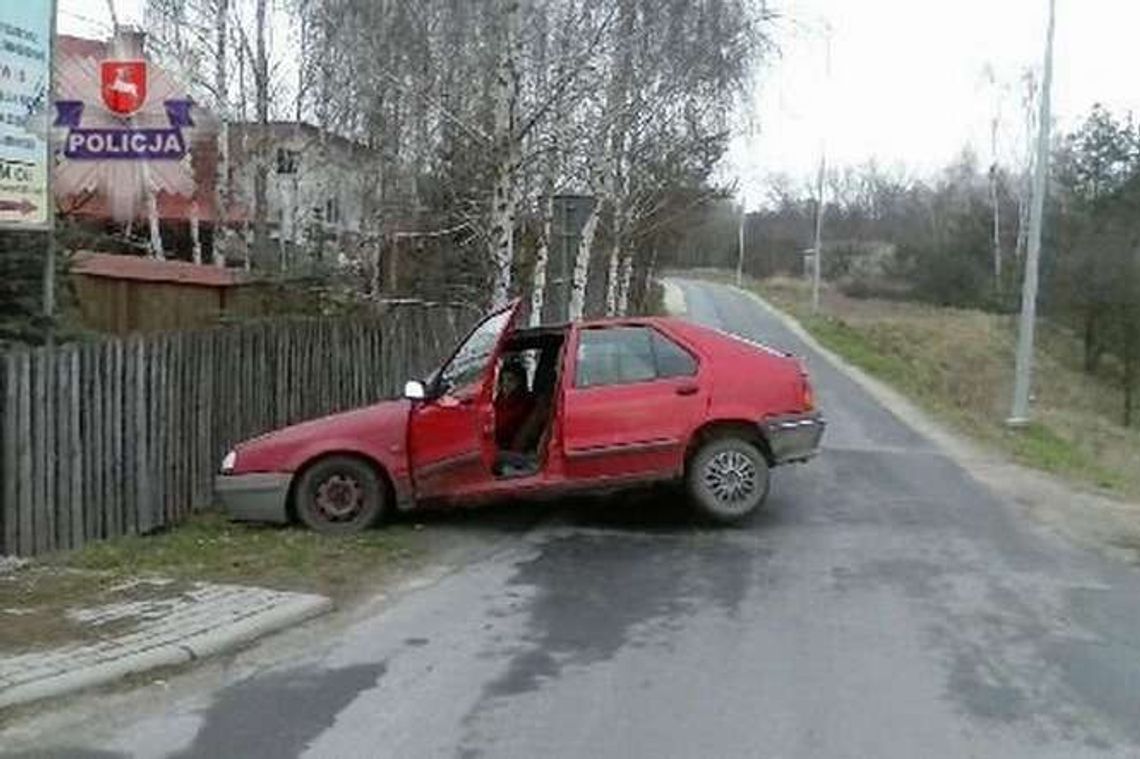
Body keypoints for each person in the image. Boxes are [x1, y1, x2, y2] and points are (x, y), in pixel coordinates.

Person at [494, 359, 536, 453]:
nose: (505, 384)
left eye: (510, 380)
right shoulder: (500, 399)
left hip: (509, 450)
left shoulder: (523, 402)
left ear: (520, 382)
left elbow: (503, 426)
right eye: (503, 380)